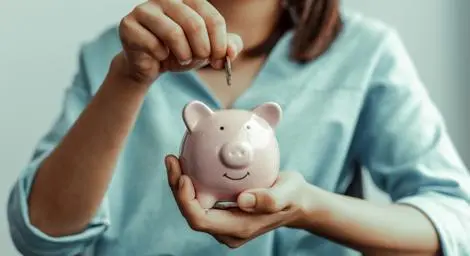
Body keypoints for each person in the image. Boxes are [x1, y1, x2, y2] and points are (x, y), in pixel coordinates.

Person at [7, 0, 470, 255]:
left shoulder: (366, 53)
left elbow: (456, 223)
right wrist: (128, 80)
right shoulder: (113, 58)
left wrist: (310, 207)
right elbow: (41, 235)